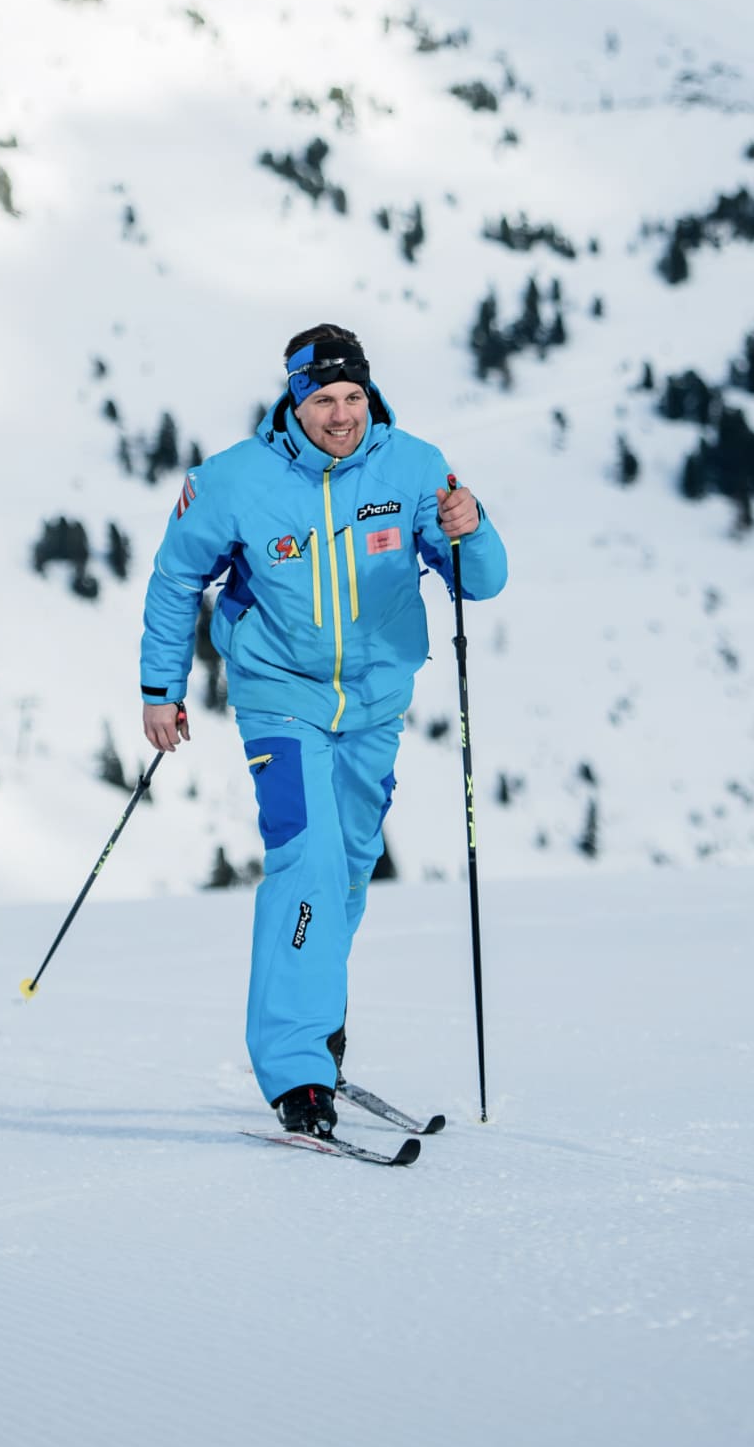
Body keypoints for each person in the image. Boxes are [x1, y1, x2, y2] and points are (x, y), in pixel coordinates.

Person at [139, 324, 508, 1137]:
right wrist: (160, 689)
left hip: (374, 706)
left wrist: (469, 528)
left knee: (345, 875)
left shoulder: (412, 464)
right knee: (303, 864)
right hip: (281, 699)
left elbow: (476, 583)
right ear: (294, 401)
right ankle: (297, 1068)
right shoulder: (233, 481)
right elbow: (175, 582)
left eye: (352, 397)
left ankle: (320, 1027)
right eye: (323, 399)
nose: (341, 415)